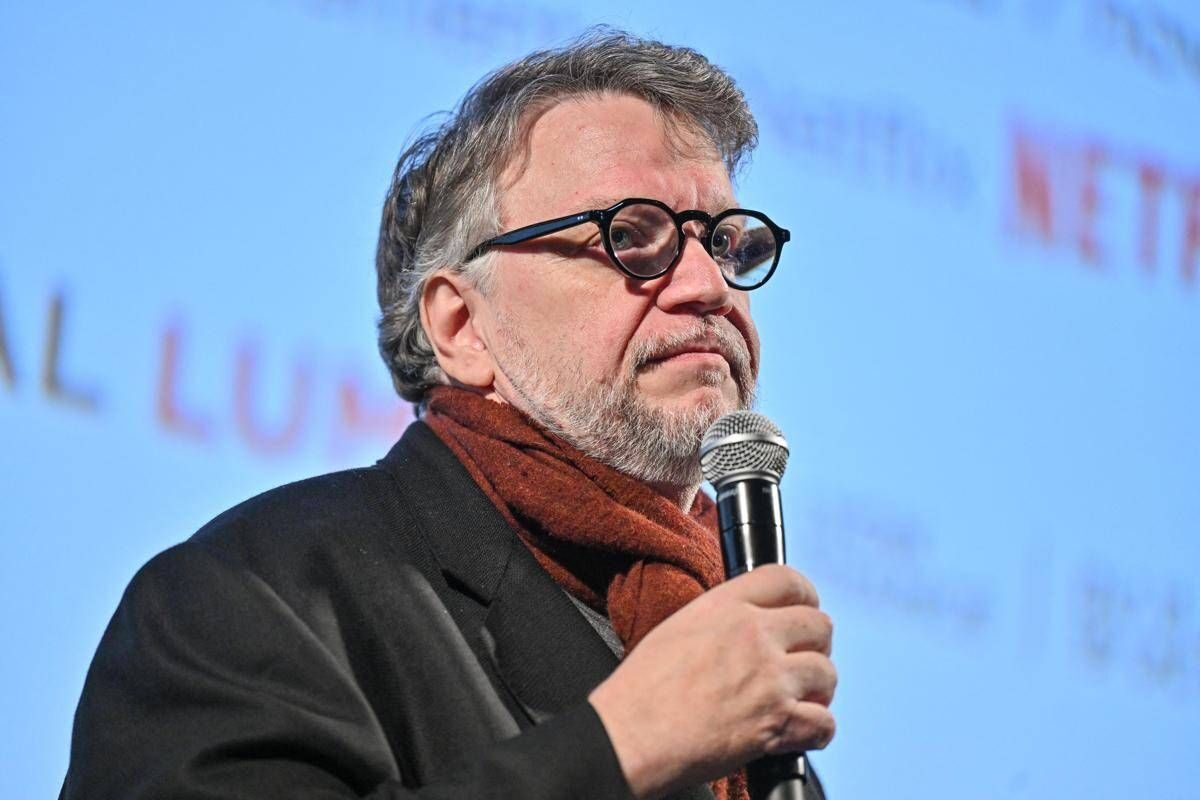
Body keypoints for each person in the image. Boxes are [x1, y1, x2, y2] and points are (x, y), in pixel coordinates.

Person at [60, 30, 836, 800]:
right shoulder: (246, 597)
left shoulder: (748, 715)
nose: (708, 286)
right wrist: (626, 744)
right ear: (462, 327)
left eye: (726, 244)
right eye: (629, 235)